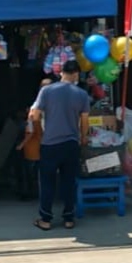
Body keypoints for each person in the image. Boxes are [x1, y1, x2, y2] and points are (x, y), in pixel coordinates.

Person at [31, 60, 89, 231]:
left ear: (61, 72)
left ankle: (46, 219)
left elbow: (35, 116)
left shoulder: (47, 91)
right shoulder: (81, 94)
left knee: (47, 182)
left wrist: (40, 135)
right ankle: (68, 218)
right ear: (76, 74)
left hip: (50, 144)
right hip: (71, 143)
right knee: (69, 182)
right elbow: (84, 121)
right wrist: (83, 138)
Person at [14, 78, 52, 201]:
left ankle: (33, 193)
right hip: (47, 143)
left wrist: (21, 145)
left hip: (35, 146)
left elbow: (31, 131)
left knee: (32, 172)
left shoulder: (36, 108)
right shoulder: (54, 106)